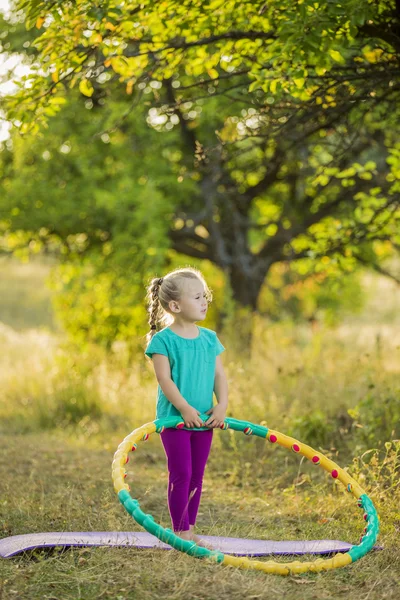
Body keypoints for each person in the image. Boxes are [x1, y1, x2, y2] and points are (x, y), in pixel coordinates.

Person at [143, 266, 228, 549]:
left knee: (198, 474)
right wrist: (185, 409)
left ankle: (190, 531)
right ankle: (181, 533)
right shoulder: (162, 341)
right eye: (197, 297)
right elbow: (164, 379)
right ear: (175, 305)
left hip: (205, 419)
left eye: (204, 296)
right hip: (176, 420)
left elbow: (219, 376)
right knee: (182, 473)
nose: (204, 301)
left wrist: (222, 406)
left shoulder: (209, 339)